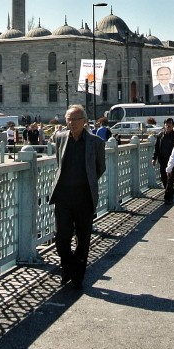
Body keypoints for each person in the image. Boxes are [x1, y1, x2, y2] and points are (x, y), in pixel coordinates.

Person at [50, 104, 106, 290]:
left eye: (75, 119)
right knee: (61, 238)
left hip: (84, 196)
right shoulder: (59, 138)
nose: (71, 123)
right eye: (68, 119)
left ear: (84, 121)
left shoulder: (96, 142)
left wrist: (86, 181)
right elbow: (59, 162)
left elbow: (100, 168)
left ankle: (77, 276)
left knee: (83, 239)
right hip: (63, 196)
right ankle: (70, 266)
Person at [152, 118, 174, 204]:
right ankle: (169, 193)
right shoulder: (160, 135)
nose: (168, 126)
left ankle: (168, 198)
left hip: (172, 161)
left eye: (170, 124)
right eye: (166, 124)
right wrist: (154, 158)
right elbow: (156, 147)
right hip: (162, 161)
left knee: (170, 179)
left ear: (172, 125)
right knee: (164, 179)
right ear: (164, 125)